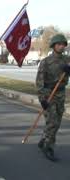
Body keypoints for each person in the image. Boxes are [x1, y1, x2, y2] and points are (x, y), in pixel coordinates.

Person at [36, 34, 70, 162]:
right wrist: (42, 99)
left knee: (57, 122)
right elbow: (39, 82)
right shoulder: (46, 62)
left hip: (61, 94)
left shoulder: (67, 60)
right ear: (53, 46)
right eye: (59, 44)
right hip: (49, 93)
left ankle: (45, 138)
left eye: (63, 44)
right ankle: (48, 147)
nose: (61, 46)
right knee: (53, 121)